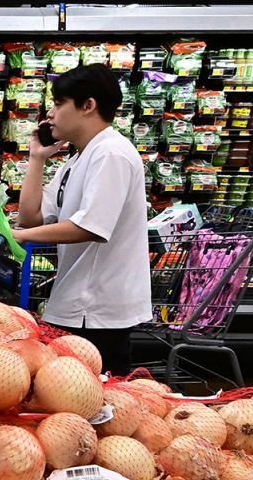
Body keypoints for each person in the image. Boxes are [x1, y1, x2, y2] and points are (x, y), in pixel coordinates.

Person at [12, 63, 150, 375]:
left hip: (99, 308)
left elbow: (90, 227)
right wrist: (36, 158)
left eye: (60, 104)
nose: (50, 113)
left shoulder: (111, 154)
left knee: (98, 402)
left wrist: (21, 237)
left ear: (88, 106)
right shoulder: (78, 158)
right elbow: (30, 217)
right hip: (77, 301)